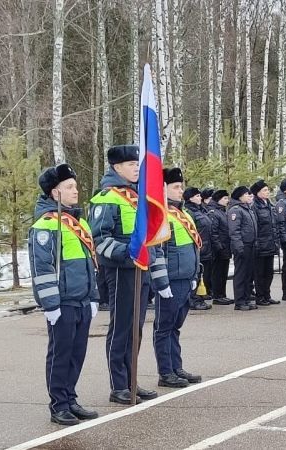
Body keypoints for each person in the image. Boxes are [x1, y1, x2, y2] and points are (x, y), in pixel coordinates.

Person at [88, 145, 167, 405]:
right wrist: (128, 253)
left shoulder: (136, 196)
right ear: (116, 167)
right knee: (121, 327)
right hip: (121, 270)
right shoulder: (106, 198)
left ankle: (132, 380)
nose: (136, 168)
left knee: (136, 328)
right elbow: (100, 240)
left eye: (137, 164)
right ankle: (118, 384)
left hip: (140, 269)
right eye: (131, 164)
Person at [29, 164, 99, 426]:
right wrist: (50, 304)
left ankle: (70, 397)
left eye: (75, 186)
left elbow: (90, 264)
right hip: (63, 302)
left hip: (81, 300)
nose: (75, 190)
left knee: (77, 353)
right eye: (69, 187)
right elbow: (43, 268)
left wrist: (93, 297)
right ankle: (58, 404)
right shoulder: (46, 225)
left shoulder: (78, 222)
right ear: (54, 193)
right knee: (61, 354)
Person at [154, 168, 203, 388]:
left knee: (175, 326)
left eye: (181, 187)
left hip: (185, 278)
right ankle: (165, 372)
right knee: (164, 327)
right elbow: (159, 253)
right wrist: (162, 283)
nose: (180, 191)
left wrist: (194, 274)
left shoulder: (183, 214)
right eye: (176, 187)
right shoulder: (160, 215)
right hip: (171, 280)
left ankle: (176, 366)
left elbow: (193, 247)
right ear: (162, 189)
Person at [250, 180, 280, 306]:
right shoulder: (254, 206)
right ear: (258, 193)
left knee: (269, 272)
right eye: (265, 190)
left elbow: (274, 225)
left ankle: (267, 295)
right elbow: (255, 227)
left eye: (268, 190)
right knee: (260, 273)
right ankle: (260, 296)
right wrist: (257, 243)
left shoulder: (269, 205)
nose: (268, 192)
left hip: (270, 243)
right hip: (261, 244)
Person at [228, 186, 258, 311]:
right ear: (240, 196)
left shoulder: (247, 209)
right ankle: (239, 301)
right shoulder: (236, 210)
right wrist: (239, 246)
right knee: (241, 274)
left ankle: (246, 298)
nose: (249, 196)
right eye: (246, 194)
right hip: (242, 245)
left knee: (248, 274)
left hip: (250, 245)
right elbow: (234, 231)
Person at [184, 187, 213, 310]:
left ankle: (200, 297)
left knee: (201, 273)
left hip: (205, 246)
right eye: (197, 196)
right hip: (197, 246)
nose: (200, 198)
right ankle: (194, 299)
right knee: (195, 273)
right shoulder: (189, 211)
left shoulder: (201, 210)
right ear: (190, 198)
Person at [207, 190, 232, 304]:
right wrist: (219, 247)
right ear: (219, 199)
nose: (227, 201)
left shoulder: (222, 211)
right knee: (218, 272)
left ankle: (222, 294)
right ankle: (217, 295)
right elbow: (214, 232)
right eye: (225, 198)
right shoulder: (214, 212)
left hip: (225, 246)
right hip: (219, 248)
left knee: (223, 272)